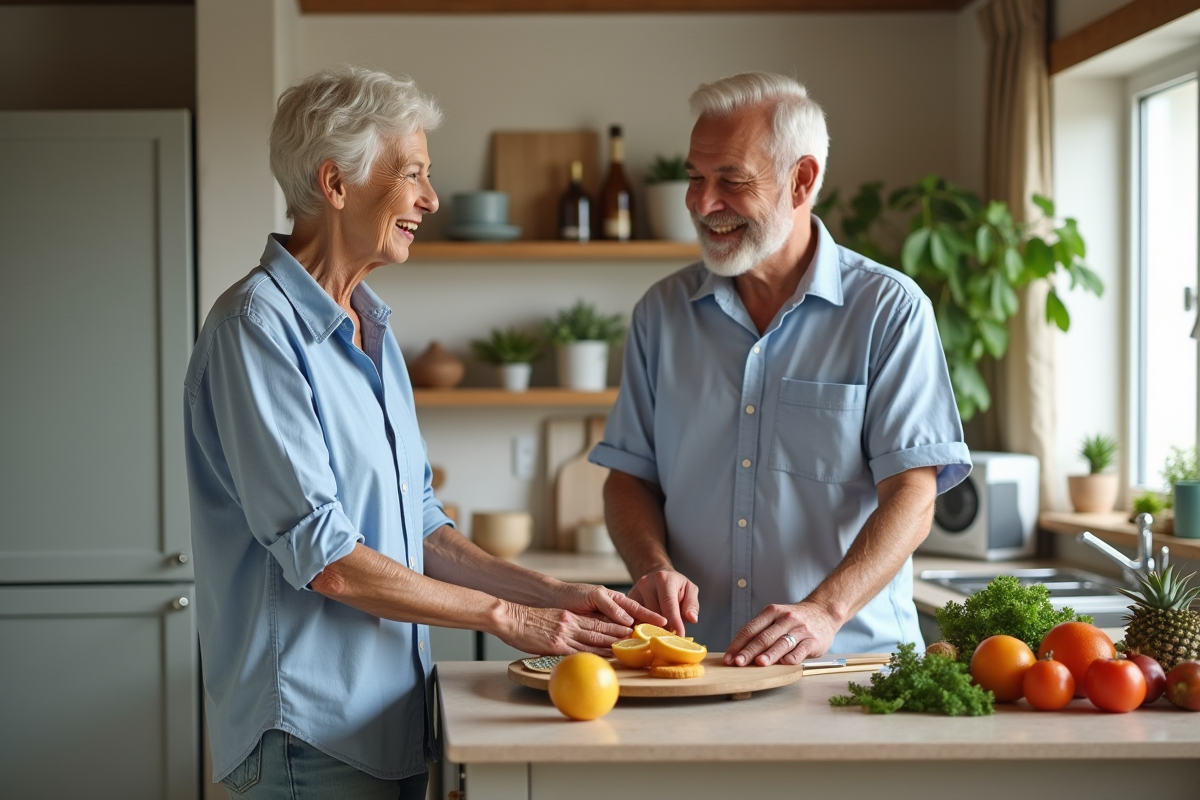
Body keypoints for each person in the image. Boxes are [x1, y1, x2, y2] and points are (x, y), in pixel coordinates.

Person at [184, 66, 664, 800]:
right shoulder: (258, 328)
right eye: (412, 175)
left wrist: (556, 594)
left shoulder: (370, 327)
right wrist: (511, 618)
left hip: (389, 719)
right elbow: (328, 560)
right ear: (336, 184)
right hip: (311, 731)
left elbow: (421, 525)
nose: (431, 200)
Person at [589, 72, 971, 670]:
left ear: (802, 179)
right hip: (698, 664)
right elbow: (629, 478)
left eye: (731, 181)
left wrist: (826, 610)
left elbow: (913, 494)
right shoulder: (660, 314)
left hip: (848, 669)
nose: (701, 203)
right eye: (694, 178)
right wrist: (652, 568)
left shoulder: (889, 310)